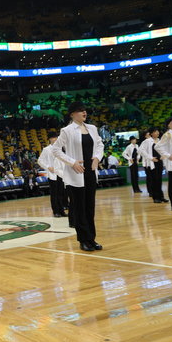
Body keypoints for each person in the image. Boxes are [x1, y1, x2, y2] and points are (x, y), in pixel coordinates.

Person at [52, 102, 105, 252]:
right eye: (80, 111)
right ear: (72, 114)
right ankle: (83, 240)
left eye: (84, 110)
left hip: (90, 172)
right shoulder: (67, 130)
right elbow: (56, 150)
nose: (84, 113)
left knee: (90, 207)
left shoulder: (92, 128)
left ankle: (92, 238)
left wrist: (97, 158)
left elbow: (100, 145)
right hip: (76, 174)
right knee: (79, 208)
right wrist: (72, 162)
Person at [38, 131, 67, 217]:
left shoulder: (61, 148)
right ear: (50, 139)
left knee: (61, 193)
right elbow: (40, 160)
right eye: (53, 138)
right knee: (54, 194)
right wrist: (48, 167)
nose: (55, 139)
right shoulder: (46, 149)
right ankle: (56, 211)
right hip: (52, 174)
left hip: (60, 173)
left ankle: (62, 211)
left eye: (56, 137)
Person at [141, 127, 169, 204]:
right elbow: (141, 150)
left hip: (160, 162)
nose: (157, 133)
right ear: (151, 133)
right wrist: (151, 158)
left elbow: (163, 150)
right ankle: (156, 197)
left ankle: (161, 197)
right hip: (152, 163)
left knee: (159, 180)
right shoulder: (147, 141)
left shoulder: (160, 140)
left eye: (158, 131)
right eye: (155, 131)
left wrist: (164, 155)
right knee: (154, 180)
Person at [139, 131, 155, 198]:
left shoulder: (154, 140)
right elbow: (140, 151)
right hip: (147, 163)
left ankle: (155, 191)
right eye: (148, 134)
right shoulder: (145, 142)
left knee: (154, 177)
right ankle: (150, 191)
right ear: (145, 136)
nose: (149, 134)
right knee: (149, 178)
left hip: (154, 161)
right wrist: (149, 157)